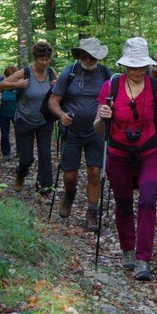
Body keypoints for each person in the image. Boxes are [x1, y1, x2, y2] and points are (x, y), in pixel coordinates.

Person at [94, 37, 157, 281]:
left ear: (148, 65)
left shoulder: (155, 87)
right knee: (123, 202)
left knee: (149, 200)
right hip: (118, 153)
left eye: (141, 66)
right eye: (133, 66)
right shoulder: (111, 87)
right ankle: (127, 250)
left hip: (149, 151)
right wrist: (103, 118)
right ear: (125, 66)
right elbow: (98, 128)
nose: (137, 71)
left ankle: (143, 259)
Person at [48, 38, 111, 231]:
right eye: (85, 55)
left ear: (98, 57)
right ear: (80, 55)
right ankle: (69, 196)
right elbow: (53, 101)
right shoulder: (70, 72)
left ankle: (92, 212)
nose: (88, 59)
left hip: (97, 131)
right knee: (69, 176)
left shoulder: (106, 74)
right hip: (71, 132)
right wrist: (61, 115)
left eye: (92, 56)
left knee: (94, 172)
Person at [0, 41, 57, 203]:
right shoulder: (25, 72)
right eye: (41, 60)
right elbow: (1, 85)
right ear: (35, 59)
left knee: (45, 156)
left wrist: (57, 85)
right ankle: (20, 174)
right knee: (27, 158)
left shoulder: (51, 73)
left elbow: (61, 91)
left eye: (47, 59)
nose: (44, 63)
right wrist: (16, 84)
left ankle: (43, 193)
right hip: (24, 120)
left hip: (45, 121)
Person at [0, 66, 19, 159]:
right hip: (3, 113)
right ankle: (6, 153)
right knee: (5, 134)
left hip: (17, 112)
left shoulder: (19, 85)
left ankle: (20, 152)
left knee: (19, 132)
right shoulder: (2, 85)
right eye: (10, 75)